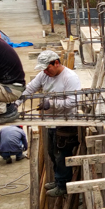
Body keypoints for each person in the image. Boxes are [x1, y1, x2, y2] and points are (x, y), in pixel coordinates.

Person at [18, 51, 82, 199]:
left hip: (65, 122)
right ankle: (58, 180)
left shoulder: (70, 77)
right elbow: (30, 89)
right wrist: (16, 102)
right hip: (50, 122)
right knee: (52, 153)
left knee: (61, 156)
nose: (45, 72)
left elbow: (74, 101)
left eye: (48, 68)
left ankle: (63, 185)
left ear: (56, 63)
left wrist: (51, 103)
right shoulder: (44, 74)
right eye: (43, 69)